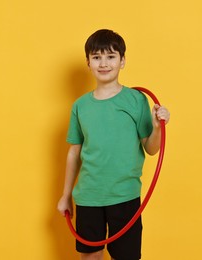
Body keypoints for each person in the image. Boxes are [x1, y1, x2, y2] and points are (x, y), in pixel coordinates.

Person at [57, 29, 170, 260]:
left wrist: (158, 127)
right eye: (97, 57)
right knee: (90, 255)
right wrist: (66, 194)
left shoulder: (136, 100)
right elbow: (74, 153)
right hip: (89, 196)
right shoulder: (80, 106)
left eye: (111, 56)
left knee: (126, 256)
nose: (104, 63)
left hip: (125, 195)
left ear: (123, 61)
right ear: (88, 62)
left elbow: (150, 148)